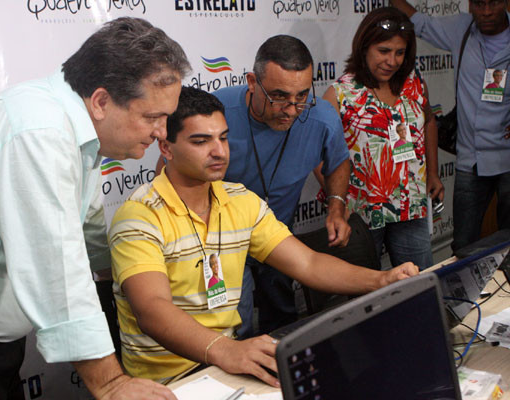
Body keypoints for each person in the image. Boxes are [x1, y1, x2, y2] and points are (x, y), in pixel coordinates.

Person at [0, 17, 190, 400]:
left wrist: (146, 272)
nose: (161, 132)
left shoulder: (77, 131)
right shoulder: (37, 131)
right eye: (152, 117)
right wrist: (110, 383)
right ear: (102, 101)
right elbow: (54, 263)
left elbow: (89, 234)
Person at [109, 86, 418, 387]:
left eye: (224, 138)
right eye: (201, 141)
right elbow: (152, 309)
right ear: (166, 148)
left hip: (225, 368)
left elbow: (308, 264)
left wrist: (381, 281)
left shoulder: (241, 201)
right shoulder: (139, 216)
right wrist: (228, 350)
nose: (219, 151)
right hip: (167, 384)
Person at [212, 35, 352, 337]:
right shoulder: (216, 112)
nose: (291, 109)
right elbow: (172, 169)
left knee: (284, 324)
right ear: (252, 82)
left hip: (277, 238)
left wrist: (336, 206)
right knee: (240, 328)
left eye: (301, 96)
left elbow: (338, 160)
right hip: (224, 242)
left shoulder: (322, 116)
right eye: (279, 96)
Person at [322, 7, 444, 270]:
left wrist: (432, 172)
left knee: (418, 283)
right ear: (364, 46)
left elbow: (430, 122)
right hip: (361, 211)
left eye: (400, 52)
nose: (393, 61)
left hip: (411, 205)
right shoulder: (341, 93)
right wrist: (337, 203)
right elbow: (317, 155)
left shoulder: (413, 84)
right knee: (367, 292)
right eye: (384, 51)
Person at [390, 0, 510, 253]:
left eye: (494, 3)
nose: (486, 12)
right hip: (471, 159)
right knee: (464, 245)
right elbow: (417, 20)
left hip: (508, 158)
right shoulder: (461, 29)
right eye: (479, 4)